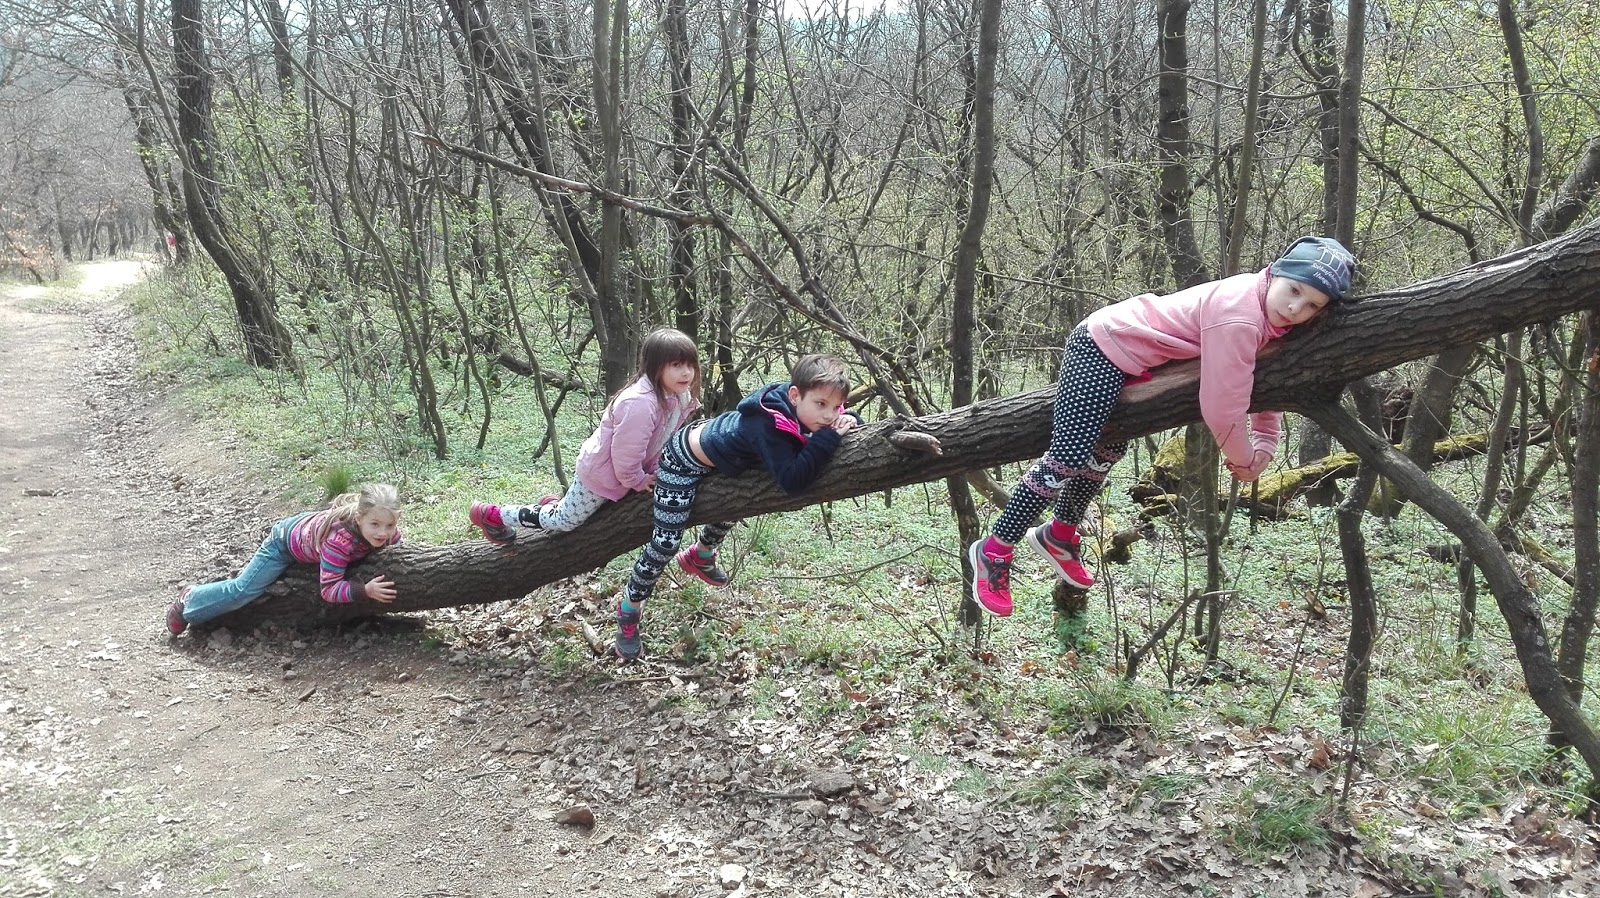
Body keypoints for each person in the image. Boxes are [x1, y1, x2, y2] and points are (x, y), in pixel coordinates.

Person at [969, 235, 1356, 616]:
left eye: (1311, 304)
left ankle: (1059, 534)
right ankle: (994, 548)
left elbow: (1259, 382)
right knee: (1068, 455)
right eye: (1293, 289)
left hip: (1132, 363)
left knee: (1106, 451)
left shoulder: (1269, 317)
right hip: (1102, 345)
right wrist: (1243, 458)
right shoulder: (1240, 314)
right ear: (1273, 273)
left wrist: (1267, 442)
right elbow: (1223, 407)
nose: (1295, 307)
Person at [614, 353, 861, 660]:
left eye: (836, 407)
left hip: (725, 456)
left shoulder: (802, 403)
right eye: (821, 405)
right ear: (795, 395)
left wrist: (847, 421)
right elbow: (794, 481)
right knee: (665, 542)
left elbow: (829, 425)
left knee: (742, 499)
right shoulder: (769, 424)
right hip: (682, 461)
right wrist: (828, 438)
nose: (828, 415)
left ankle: (700, 555)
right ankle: (629, 609)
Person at [468, 328, 703, 544]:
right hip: (602, 475)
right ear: (655, 367)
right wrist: (637, 480)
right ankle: (492, 514)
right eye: (676, 365)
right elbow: (625, 455)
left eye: (690, 365)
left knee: (572, 513)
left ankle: (552, 505)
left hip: (619, 474)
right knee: (565, 521)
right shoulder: (640, 404)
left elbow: (659, 441)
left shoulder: (675, 396)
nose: (686, 373)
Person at [166, 483, 404, 634]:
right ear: (360, 519)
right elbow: (328, 590)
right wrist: (365, 590)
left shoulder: (387, 535)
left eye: (389, 525)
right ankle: (190, 599)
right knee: (244, 590)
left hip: (308, 532)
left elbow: (399, 548)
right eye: (375, 524)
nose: (383, 533)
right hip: (284, 544)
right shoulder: (338, 541)